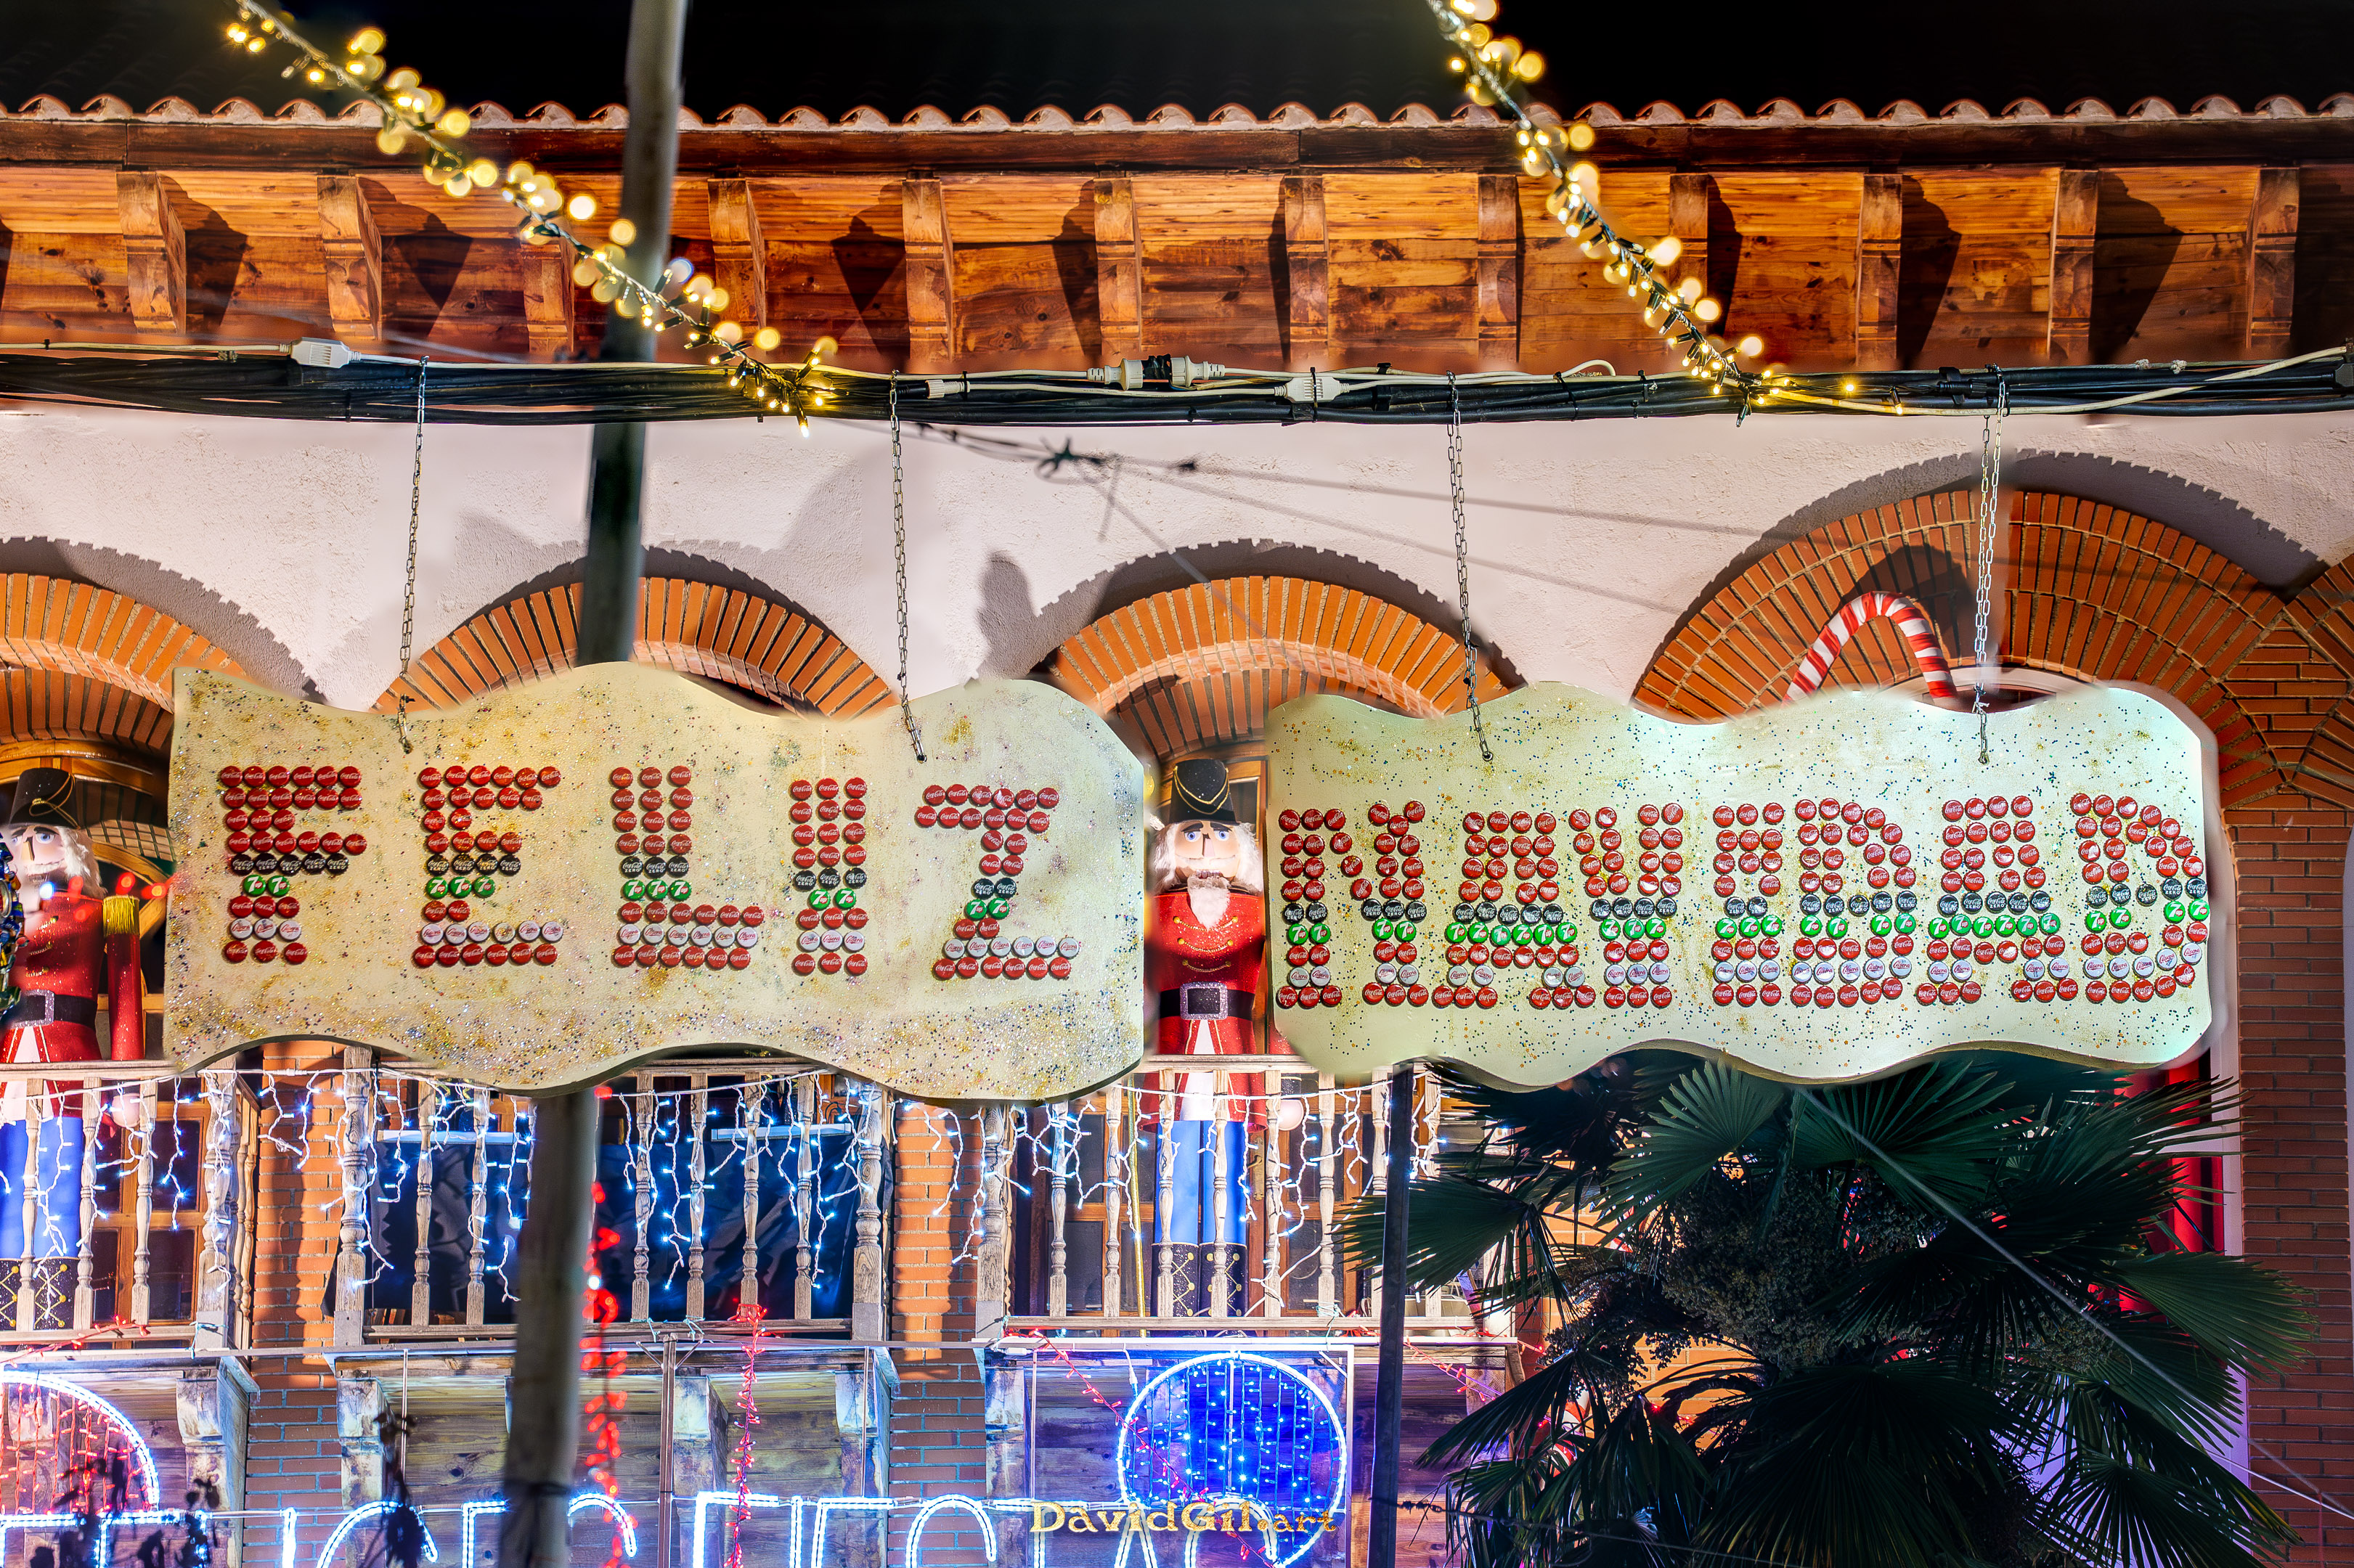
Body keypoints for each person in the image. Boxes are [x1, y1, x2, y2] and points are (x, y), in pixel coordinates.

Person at [1142, 759, 1294, 1314]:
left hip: (1234, 1056)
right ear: (1170, 845)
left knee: (1229, 1184)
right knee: (1177, 1183)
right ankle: (1177, 1306)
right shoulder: (1150, 913)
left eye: (1218, 831)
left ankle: (1225, 1308)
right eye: (1194, 831)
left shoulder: (1262, 916)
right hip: (1173, 1057)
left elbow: (1280, 996)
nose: (1206, 842)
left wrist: (1281, 1080)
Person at [0, 769, 144, 1325]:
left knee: (61, 1189)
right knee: (9, 1190)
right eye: (22, 835)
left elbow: (126, 998)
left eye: (46, 833)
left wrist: (126, 1085)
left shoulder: (106, 911)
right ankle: (8, 1312)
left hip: (70, 1061)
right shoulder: (6, 912)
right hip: (9, 1061)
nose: (33, 846)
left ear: (70, 842)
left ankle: (53, 1315)